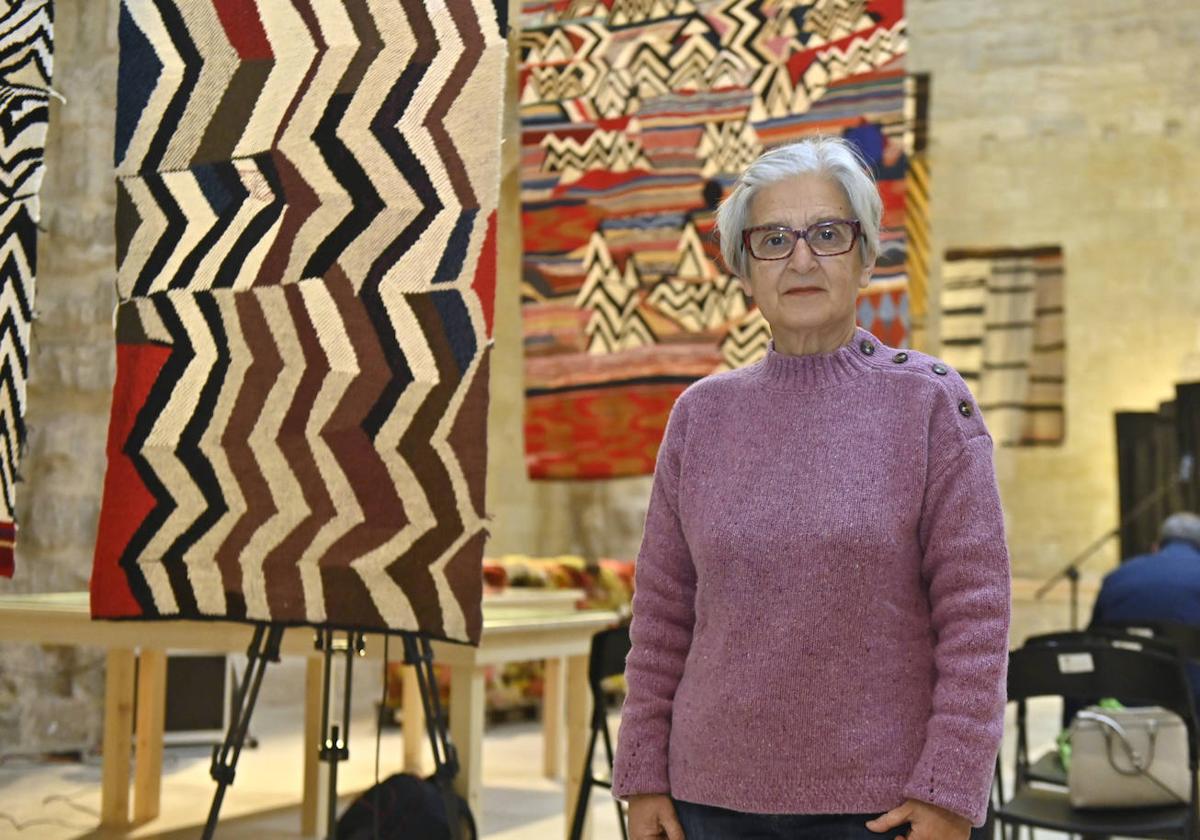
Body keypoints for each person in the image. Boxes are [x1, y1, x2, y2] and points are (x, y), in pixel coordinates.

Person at [610, 136, 1011, 840]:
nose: (800, 259)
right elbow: (662, 614)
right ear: (744, 269)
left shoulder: (930, 405)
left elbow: (976, 618)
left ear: (864, 257)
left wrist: (950, 788)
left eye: (827, 234)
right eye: (772, 239)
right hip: (709, 804)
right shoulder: (701, 417)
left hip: (884, 809)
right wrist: (642, 776)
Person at [1089, 511, 1200, 697]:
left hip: (1124, 690)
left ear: (1156, 546)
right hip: (1191, 694)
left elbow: (1095, 634)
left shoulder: (1118, 575)